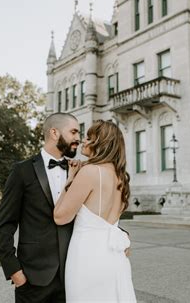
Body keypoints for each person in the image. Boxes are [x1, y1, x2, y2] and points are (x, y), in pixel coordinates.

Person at [0, 112, 80, 303]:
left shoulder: (79, 170)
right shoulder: (22, 171)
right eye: (74, 132)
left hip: (72, 276)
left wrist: (120, 233)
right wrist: (15, 273)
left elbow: (93, 214)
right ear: (54, 133)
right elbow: (5, 225)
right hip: (32, 278)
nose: (78, 139)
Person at [54, 120, 136, 302]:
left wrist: (70, 179)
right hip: (114, 259)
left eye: (89, 137)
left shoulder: (90, 172)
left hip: (87, 258)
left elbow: (60, 217)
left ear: (100, 142)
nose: (83, 140)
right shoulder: (121, 178)